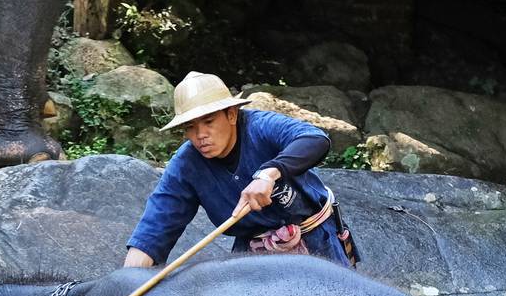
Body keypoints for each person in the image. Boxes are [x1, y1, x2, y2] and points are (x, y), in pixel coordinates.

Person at [124, 72, 361, 270]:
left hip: (317, 239)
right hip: (252, 256)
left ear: (231, 114)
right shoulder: (186, 165)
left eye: (208, 121)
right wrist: (127, 281)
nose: (200, 135)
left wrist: (268, 174)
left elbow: (315, 139)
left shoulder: (260, 126)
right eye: (190, 127)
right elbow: (155, 228)